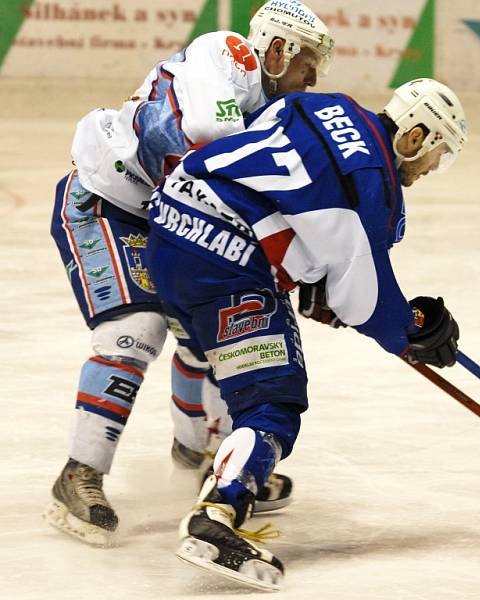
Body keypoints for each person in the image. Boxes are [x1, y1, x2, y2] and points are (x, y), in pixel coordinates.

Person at [145, 77, 467, 590]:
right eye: (437, 153)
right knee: (273, 398)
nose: (430, 168)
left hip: (168, 227)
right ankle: (218, 513)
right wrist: (412, 332)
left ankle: (239, 468)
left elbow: (282, 188)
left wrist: (315, 284)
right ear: (415, 134)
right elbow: (365, 299)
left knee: (242, 373)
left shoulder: (326, 104)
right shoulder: (373, 184)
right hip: (227, 262)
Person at [46, 0, 335, 547]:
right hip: (108, 201)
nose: (313, 78)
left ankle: (200, 452)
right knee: (134, 333)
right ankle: (78, 473)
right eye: (308, 63)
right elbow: (206, 128)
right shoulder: (228, 53)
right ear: (278, 49)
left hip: (170, 217)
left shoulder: (270, 116)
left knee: (213, 334)